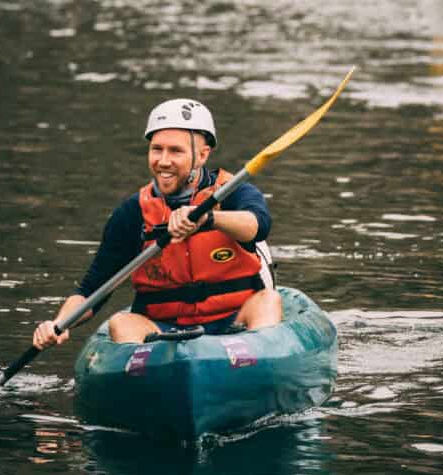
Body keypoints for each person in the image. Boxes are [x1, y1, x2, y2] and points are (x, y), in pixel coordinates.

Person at [32, 99, 281, 351]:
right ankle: (143, 376)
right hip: (163, 328)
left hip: (235, 319)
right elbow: (91, 290)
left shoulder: (234, 192)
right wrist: (58, 324)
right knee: (121, 323)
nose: (163, 161)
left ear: (202, 155)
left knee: (268, 300)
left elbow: (257, 225)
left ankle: (262, 366)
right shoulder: (132, 212)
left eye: (175, 151)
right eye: (156, 149)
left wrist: (209, 218)